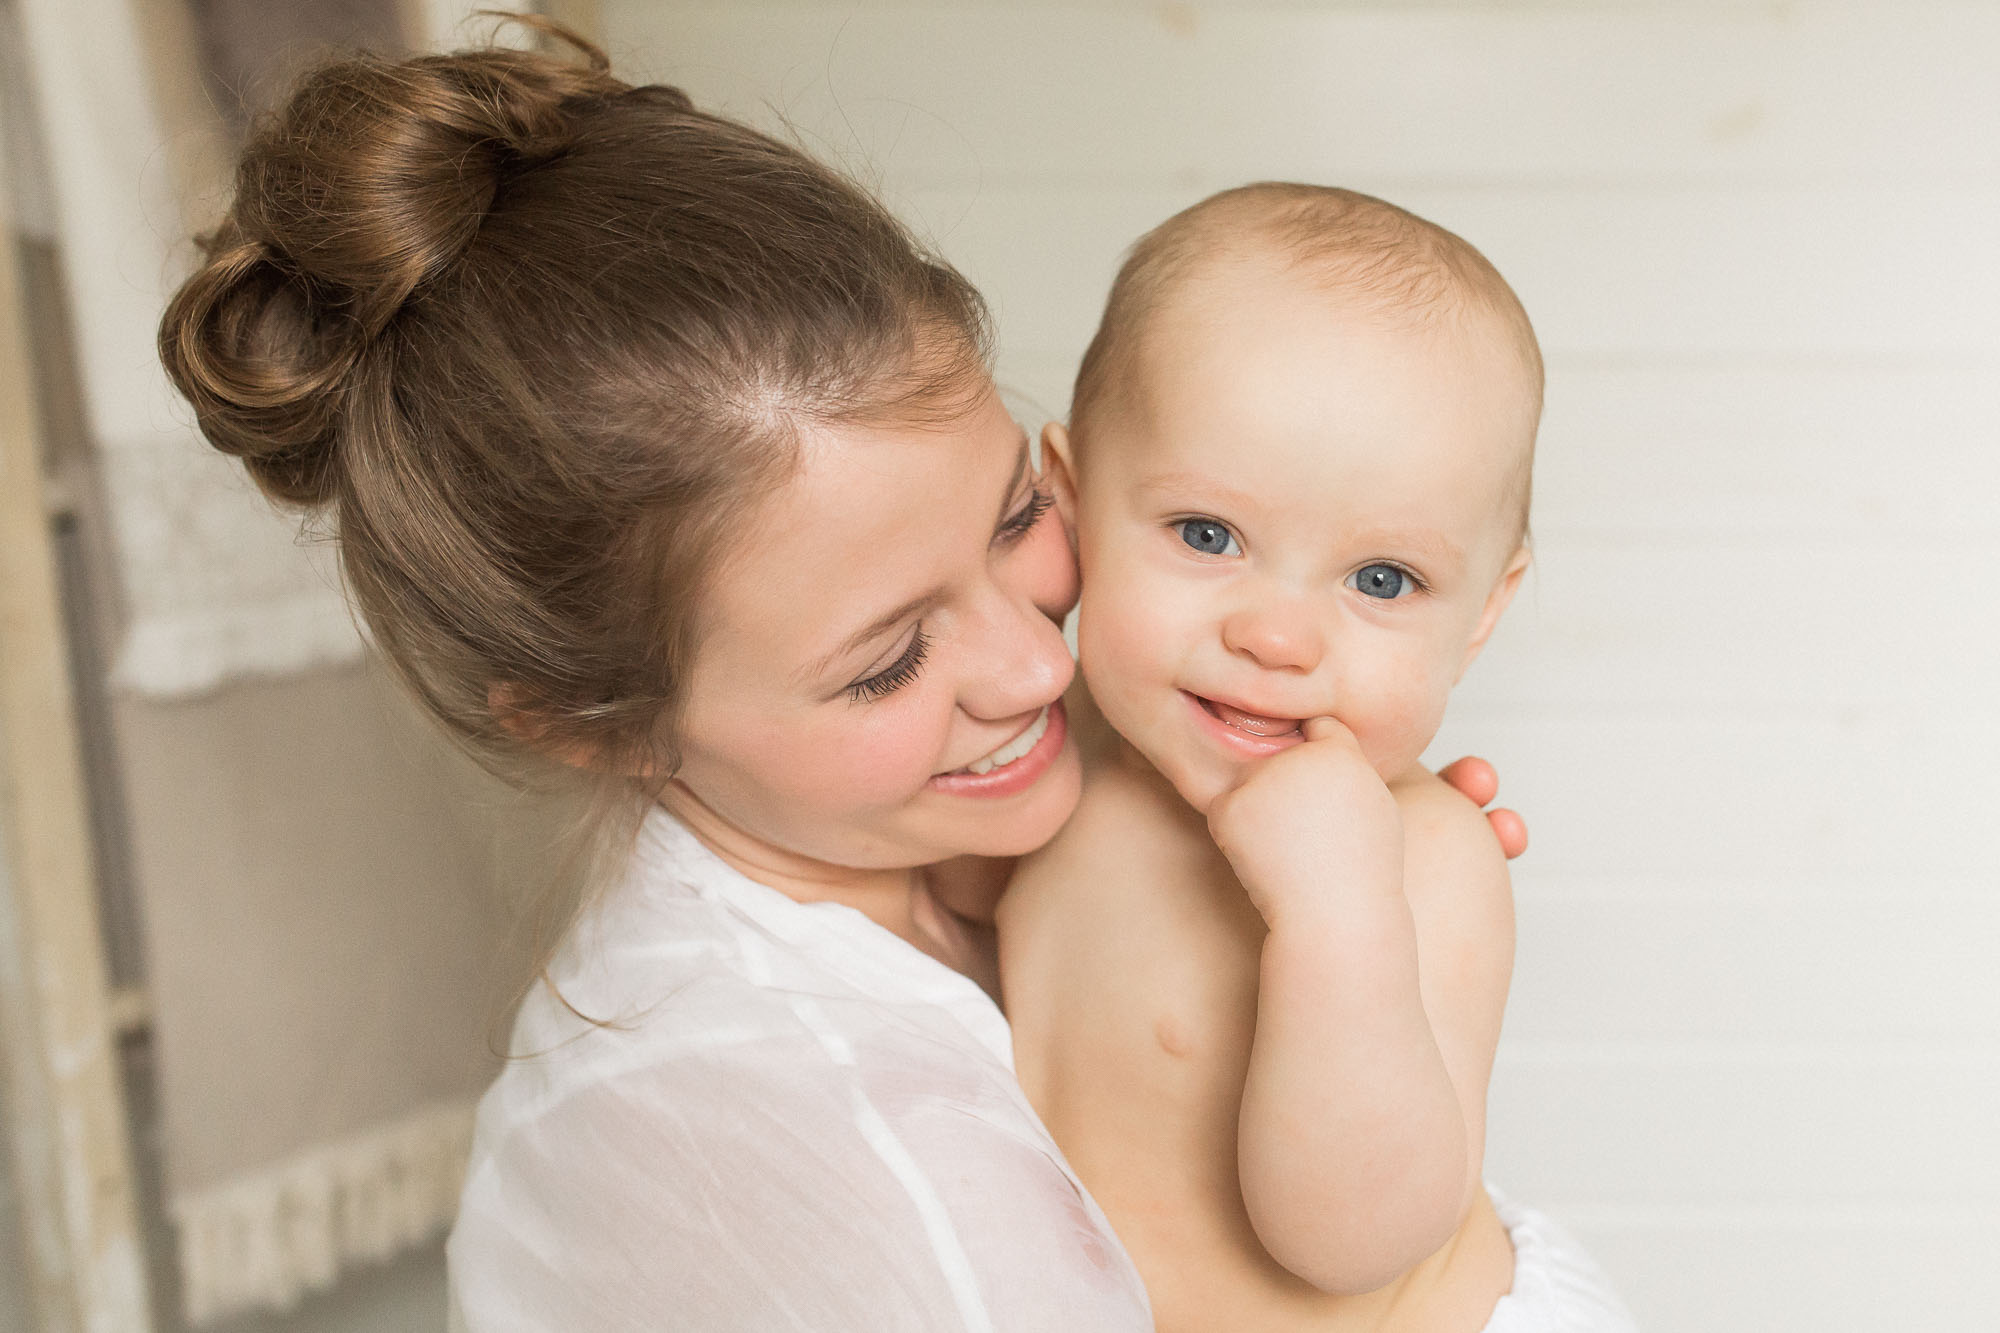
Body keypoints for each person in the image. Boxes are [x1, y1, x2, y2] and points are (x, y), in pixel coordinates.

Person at [158, 28, 1528, 1331]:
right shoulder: (852, 1162)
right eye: (885, 666)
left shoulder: (1011, 825)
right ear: (594, 724)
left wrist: (1337, 927)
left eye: (1010, 524)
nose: (1039, 662)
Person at [999, 185, 1637, 1331]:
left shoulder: (1419, 860)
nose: (1276, 637)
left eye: (1380, 579)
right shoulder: (1051, 759)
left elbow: (1351, 1242)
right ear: (1070, 501)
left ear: (1480, 615)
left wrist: (1336, 913)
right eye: (1207, 535)